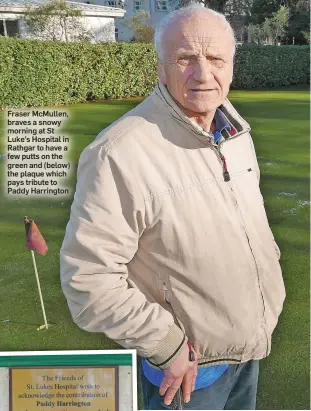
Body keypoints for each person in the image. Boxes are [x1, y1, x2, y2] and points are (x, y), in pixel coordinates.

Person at [60, 5, 286, 410]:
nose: (203, 74)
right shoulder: (121, 152)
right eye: (185, 59)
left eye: (216, 59)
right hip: (186, 373)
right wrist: (167, 346)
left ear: (232, 65)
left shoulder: (234, 134)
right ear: (161, 66)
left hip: (247, 353)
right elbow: (88, 279)